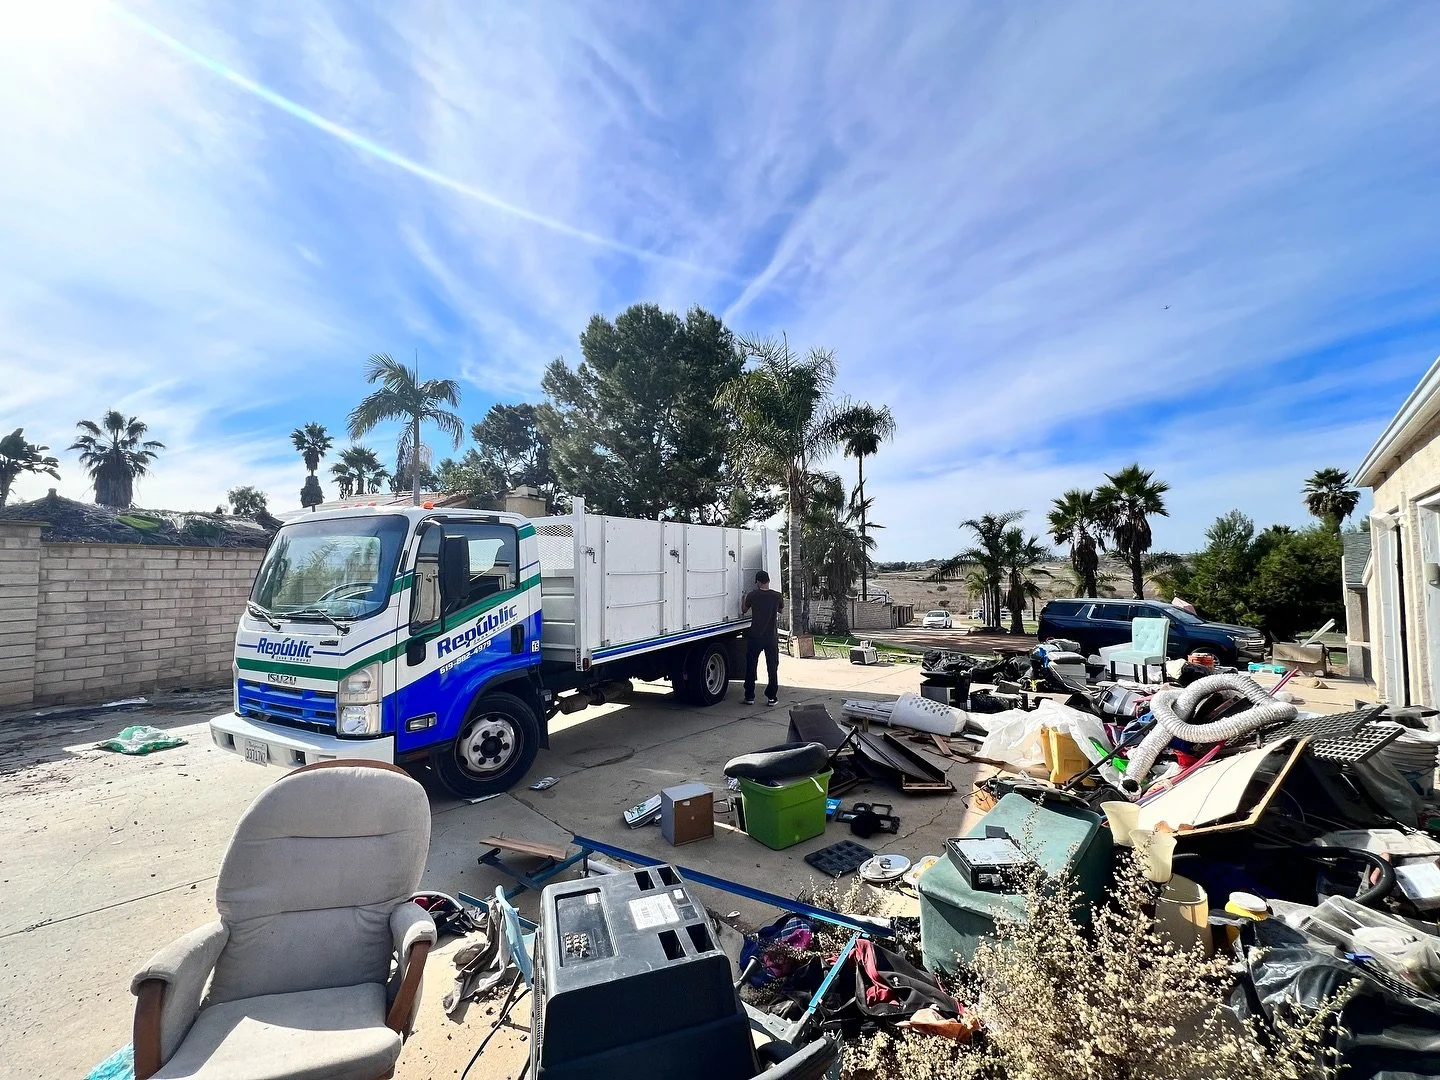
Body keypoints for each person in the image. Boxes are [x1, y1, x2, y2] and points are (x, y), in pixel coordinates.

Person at [741, 570, 784, 706]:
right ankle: (772, 697)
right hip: (771, 637)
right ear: (768, 581)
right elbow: (781, 610)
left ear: (758, 582)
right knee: (772, 667)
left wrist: (743, 599)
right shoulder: (777, 596)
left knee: (751, 666)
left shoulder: (752, 595)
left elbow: (744, 610)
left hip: (755, 636)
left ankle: (749, 696)